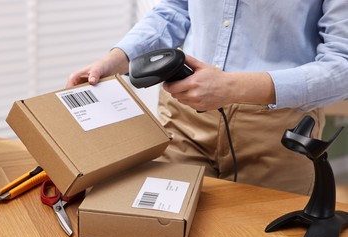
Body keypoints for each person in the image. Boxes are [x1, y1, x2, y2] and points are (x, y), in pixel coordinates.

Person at [66, 1, 348, 195]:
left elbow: (343, 64)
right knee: (167, 231)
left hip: (278, 131)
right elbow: (175, 8)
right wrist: (118, 59)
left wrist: (231, 87)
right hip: (183, 118)